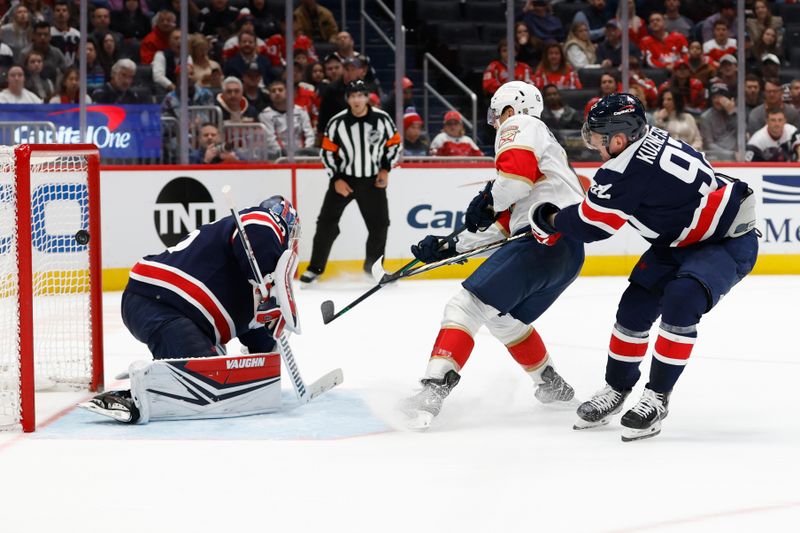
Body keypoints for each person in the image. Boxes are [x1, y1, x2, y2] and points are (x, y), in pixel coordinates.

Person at [529, 93, 758, 441]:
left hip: (726, 241)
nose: (592, 144)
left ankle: (657, 397)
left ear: (619, 139)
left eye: (597, 137)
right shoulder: (647, 139)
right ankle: (617, 389)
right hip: (682, 237)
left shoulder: (624, 170)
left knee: (682, 298)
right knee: (634, 307)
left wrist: (549, 219)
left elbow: (592, 227)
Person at [401, 81, 584, 430]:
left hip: (541, 239)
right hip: (567, 252)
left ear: (510, 108)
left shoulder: (522, 124)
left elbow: (513, 185)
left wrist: (487, 200)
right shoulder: (547, 154)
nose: (498, 125)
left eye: (498, 116)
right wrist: (448, 246)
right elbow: (500, 223)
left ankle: (432, 391)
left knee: (465, 306)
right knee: (502, 318)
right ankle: (551, 385)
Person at [80, 196, 300, 424]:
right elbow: (258, 232)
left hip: (175, 310)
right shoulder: (262, 219)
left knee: (216, 375)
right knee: (207, 383)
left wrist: (269, 346)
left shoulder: (258, 291)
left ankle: (169, 371)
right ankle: (137, 393)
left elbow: (260, 347)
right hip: (157, 300)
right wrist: (269, 283)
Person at [299, 79, 401, 283]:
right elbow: (327, 152)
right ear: (348, 98)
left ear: (367, 97)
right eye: (352, 96)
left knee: (380, 225)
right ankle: (315, 269)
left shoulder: (382, 119)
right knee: (326, 224)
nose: (356, 100)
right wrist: (336, 178)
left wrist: (385, 169)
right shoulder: (337, 122)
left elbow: (394, 145)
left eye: (360, 95)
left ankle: (372, 269)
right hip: (344, 179)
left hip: (373, 181)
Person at [258, 79, 316, 159]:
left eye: (280, 90)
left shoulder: (301, 111)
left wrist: (306, 151)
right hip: (278, 157)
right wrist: (283, 155)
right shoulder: (265, 114)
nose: (277, 93)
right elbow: (270, 139)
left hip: (302, 154)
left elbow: (309, 134)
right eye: (273, 91)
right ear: (270, 95)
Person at [700, 82, 737, 161]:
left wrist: (732, 113)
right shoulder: (706, 117)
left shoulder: (737, 113)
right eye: (714, 97)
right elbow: (709, 144)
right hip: (716, 157)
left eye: (720, 97)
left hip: (738, 155)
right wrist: (729, 154)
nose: (717, 100)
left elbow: (743, 135)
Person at [50, 0, 79, 66]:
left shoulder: (77, 34)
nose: (61, 13)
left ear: (69, 14)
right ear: (53, 14)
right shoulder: (49, 33)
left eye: (64, 10)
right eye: (58, 10)